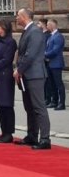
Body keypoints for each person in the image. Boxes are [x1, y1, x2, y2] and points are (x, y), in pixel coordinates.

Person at [15, 8, 52, 150]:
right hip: (27, 74)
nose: (16, 18)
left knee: (38, 107)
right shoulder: (27, 31)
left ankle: (45, 138)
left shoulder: (35, 31)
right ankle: (32, 135)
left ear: (24, 17)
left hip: (35, 74)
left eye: (18, 16)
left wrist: (19, 70)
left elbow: (30, 55)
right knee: (29, 107)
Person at [44, 19, 65, 110]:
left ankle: (62, 103)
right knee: (52, 84)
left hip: (56, 64)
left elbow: (55, 51)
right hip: (50, 63)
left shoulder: (58, 36)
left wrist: (44, 54)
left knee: (58, 84)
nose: (47, 27)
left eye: (48, 25)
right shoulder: (51, 36)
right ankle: (54, 101)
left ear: (52, 25)